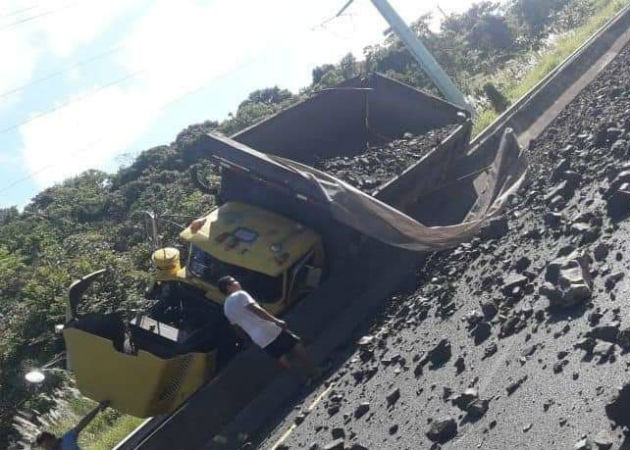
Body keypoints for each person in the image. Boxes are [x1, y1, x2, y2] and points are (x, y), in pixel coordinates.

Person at [218, 275, 321, 381]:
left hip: (258, 338)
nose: (237, 282)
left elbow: (236, 328)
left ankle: (303, 379)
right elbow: (255, 309)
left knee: (282, 358)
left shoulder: (226, 308)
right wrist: (276, 321)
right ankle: (316, 371)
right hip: (267, 328)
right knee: (295, 345)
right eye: (234, 281)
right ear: (228, 287)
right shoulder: (240, 294)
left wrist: (248, 340)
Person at [35, 401, 109, 450]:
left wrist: (98, 408)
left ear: (52, 437)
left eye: (48, 444)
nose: (49, 448)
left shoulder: (67, 438)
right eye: (46, 448)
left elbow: (83, 423)